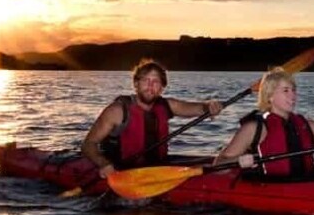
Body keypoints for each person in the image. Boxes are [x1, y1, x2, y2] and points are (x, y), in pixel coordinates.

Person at [82, 59, 223, 179]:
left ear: (162, 88)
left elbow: (196, 108)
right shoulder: (117, 111)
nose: (150, 86)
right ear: (136, 84)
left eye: (156, 82)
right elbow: (88, 144)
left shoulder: (166, 105)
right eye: (146, 80)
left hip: (156, 168)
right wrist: (104, 164)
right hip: (122, 171)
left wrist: (209, 106)